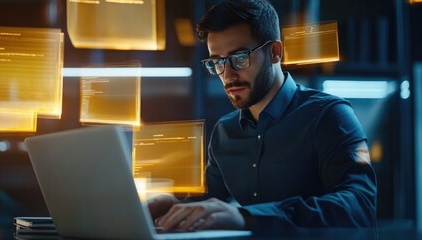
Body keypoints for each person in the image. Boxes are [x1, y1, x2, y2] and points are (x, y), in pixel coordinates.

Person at [148, 0, 377, 233]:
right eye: (217, 62)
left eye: (239, 58)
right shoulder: (225, 133)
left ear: (275, 52)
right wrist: (172, 206)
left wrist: (248, 217)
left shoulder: (329, 115)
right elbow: (210, 204)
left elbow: (360, 207)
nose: (227, 75)